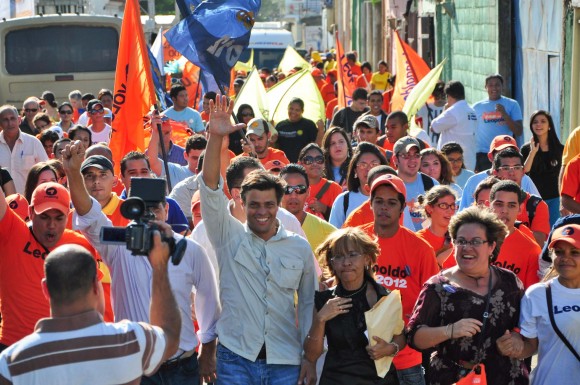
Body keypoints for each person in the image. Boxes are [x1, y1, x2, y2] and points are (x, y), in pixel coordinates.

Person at [65, 140, 220, 385]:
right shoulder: (119, 245)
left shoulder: (189, 249)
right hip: (135, 369)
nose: (150, 216)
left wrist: (208, 352)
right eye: (142, 210)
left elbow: (209, 304)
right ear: (131, 212)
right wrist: (73, 172)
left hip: (183, 367)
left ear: (167, 210)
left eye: (156, 209)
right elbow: (89, 214)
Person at [199, 95, 316, 385]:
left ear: (279, 205)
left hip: (286, 360)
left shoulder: (298, 247)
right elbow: (209, 188)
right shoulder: (227, 236)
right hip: (235, 358)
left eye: (268, 205)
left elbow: (308, 305)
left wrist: (310, 358)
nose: (261, 212)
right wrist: (215, 137)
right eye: (254, 205)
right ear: (241, 201)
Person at [0, 240, 181, 384]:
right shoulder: (132, 340)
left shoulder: (11, 363)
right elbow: (171, 336)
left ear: (46, 289)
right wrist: (159, 266)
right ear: (96, 284)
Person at [406, 206, 528, 385]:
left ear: (491, 246)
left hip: (505, 378)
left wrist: (517, 339)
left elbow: (529, 330)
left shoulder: (510, 282)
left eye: (476, 242)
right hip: (454, 379)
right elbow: (414, 337)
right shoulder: (438, 286)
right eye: (461, 241)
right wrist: (450, 330)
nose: (467, 248)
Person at [0, 182, 100, 351]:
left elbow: (96, 299)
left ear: (68, 216)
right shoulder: (11, 232)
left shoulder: (80, 244)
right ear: (31, 213)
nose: (51, 225)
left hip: (63, 350)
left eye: (58, 217)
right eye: (44, 216)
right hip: (12, 347)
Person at [361, 174, 439, 385]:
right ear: (370, 204)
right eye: (379, 201)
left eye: (391, 203)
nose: (384, 208)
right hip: (360, 356)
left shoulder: (421, 249)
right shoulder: (356, 241)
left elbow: (431, 304)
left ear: (402, 208)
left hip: (405, 360)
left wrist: (397, 343)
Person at [304, 227, 405, 384]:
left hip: (379, 380)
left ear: (366, 258)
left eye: (352, 255)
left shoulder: (384, 297)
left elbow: (400, 336)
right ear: (332, 263)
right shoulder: (324, 300)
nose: (346, 262)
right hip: (337, 379)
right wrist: (320, 319)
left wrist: (390, 348)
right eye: (339, 257)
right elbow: (311, 355)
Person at [496, 223, 580, 384]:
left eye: (575, 252)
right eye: (559, 252)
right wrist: (513, 346)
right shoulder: (537, 294)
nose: (565, 258)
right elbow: (530, 346)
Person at [280, 164, 337, 276]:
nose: (293, 195)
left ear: (308, 192)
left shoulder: (328, 233)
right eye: (287, 189)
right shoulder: (265, 227)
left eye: (299, 189)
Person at [458, 135, 540, 210]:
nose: (506, 155)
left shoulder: (525, 179)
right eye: (501, 152)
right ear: (490, 157)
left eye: (511, 151)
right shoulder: (473, 181)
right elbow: (463, 212)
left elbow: (537, 205)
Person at [492, 147, 550, 246]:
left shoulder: (536, 205)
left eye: (517, 167)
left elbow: (538, 243)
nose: (512, 173)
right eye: (506, 168)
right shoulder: (486, 202)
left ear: (523, 171)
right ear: (495, 173)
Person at [489, 180, 541, 288]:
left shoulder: (531, 249)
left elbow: (530, 295)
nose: (505, 210)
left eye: (511, 205)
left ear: (520, 209)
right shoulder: (471, 239)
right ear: (489, 206)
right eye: (499, 204)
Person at [329, 142, 388, 228]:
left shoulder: (395, 198)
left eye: (374, 164)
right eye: (363, 165)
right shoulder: (343, 201)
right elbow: (333, 237)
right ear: (355, 170)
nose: (368, 169)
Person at [521, 110, 564, 226]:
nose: (538, 124)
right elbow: (524, 172)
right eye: (535, 122)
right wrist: (533, 152)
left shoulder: (560, 149)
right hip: (534, 199)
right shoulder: (526, 149)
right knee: (536, 232)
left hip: (555, 199)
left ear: (549, 126)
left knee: (554, 231)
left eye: (543, 121)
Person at [472, 74, 523, 171]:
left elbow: (518, 131)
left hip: (505, 153)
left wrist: (504, 114)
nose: (494, 88)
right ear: (486, 87)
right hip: (483, 153)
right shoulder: (477, 107)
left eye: (497, 85)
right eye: (490, 85)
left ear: (502, 86)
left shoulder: (512, 104)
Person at [429, 80, 477, 171]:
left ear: (449, 96)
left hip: (452, 163)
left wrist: (445, 110)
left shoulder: (453, 111)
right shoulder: (471, 111)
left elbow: (433, 127)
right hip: (469, 160)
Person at [0, 105, 49, 194]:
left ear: (19, 120)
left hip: (28, 202)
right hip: (2, 204)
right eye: (5, 120)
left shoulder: (33, 142)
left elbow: (46, 171)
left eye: (12, 118)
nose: (10, 123)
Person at [394, 136, 439, 231]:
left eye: (416, 155)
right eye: (406, 155)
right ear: (395, 159)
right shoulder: (387, 184)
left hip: (426, 243)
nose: (413, 160)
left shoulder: (431, 184)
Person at [416, 186, 458, 269]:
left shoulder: (460, 239)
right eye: (443, 205)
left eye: (452, 206)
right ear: (429, 208)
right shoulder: (418, 240)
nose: (450, 210)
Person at [298, 144, 343, 220]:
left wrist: (325, 209)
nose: (315, 163)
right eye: (309, 160)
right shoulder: (294, 187)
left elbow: (341, 219)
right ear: (300, 163)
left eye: (319, 159)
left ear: (324, 163)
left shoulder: (335, 188)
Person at [275, 97, 322, 163]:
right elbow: (274, 148)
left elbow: (317, 146)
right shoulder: (280, 126)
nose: (293, 112)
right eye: (291, 109)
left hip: (304, 164)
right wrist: (272, 141)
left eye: (297, 110)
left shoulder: (309, 125)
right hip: (284, 165)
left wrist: (321, 130)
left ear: (302, 111)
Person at [416, 80, 446, 147]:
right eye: (437, 95)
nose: (440, 99)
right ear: (433, 95)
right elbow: (413, 116)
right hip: (428, 144)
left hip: (444, 145)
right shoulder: (425, 107)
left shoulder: (449, 108)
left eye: (442, 95)